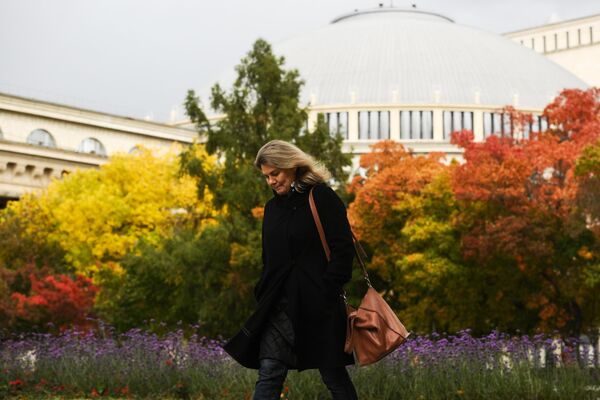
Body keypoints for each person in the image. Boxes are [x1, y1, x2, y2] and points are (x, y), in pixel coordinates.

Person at [223, 140, 358, 400]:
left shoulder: (321, 197)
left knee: (333, 375)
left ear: (292, 166)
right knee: (270, 371)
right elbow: (269, 258)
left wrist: (327, 289)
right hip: (278, 306)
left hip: (319, 304)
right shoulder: (272, 209)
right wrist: (263, 291)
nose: (271, 181)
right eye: (266, 177)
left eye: (275, 174)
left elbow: (343, 250)